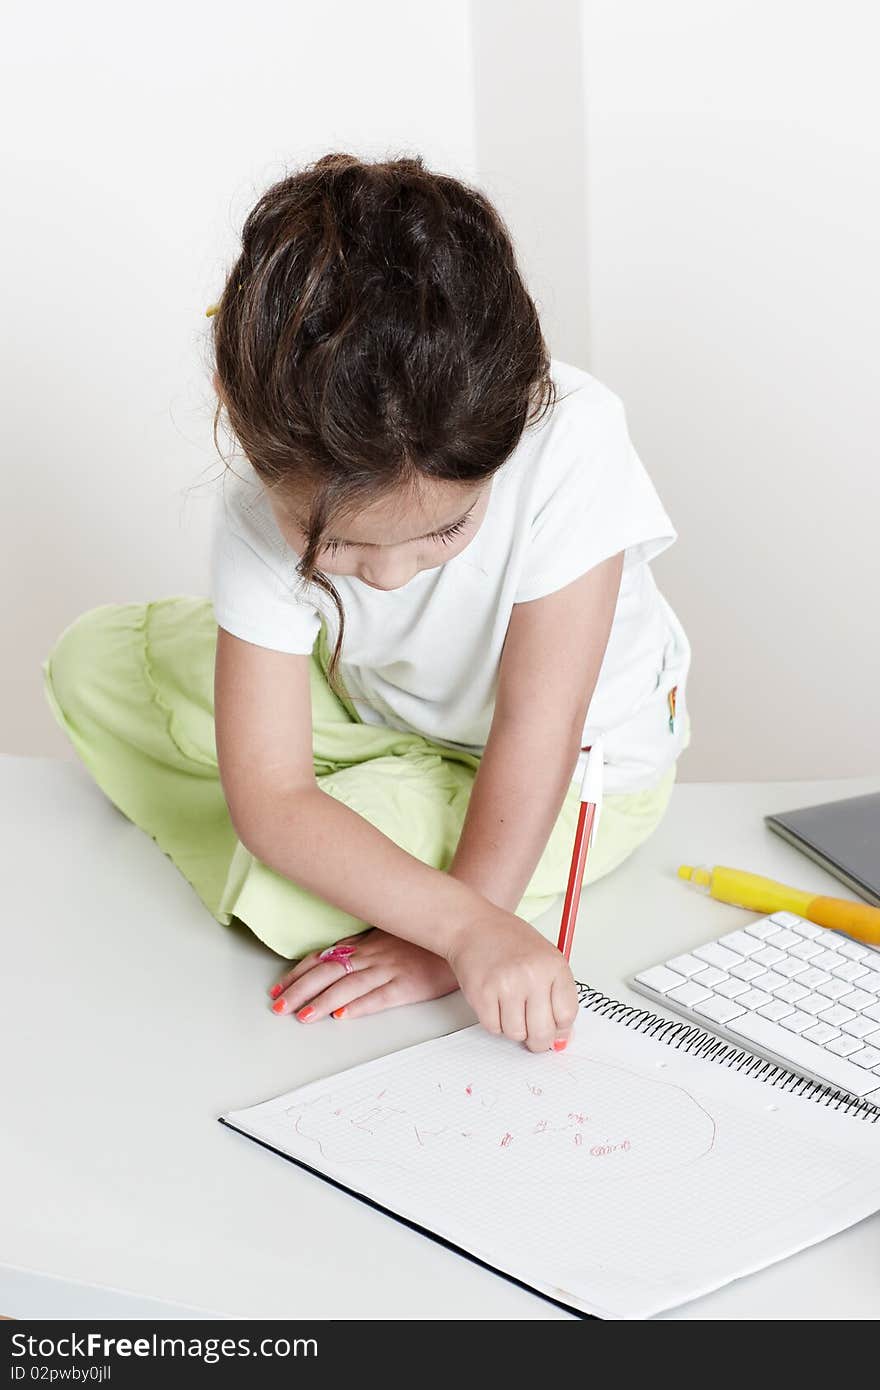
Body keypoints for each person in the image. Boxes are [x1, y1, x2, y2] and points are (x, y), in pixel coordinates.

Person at [43, 152, 691, 1055]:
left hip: (565, 774)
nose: (386, 579)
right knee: (89, 665)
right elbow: (271, 794)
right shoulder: (257, 496)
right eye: (336, 547)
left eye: (444, 534)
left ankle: (390, 830)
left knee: (289, 892)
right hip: (374, 703)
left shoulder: (574, 438)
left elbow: (537, 732)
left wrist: (460, 929)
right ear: (239, 420)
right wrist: (459, 929)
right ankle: (385, 812)